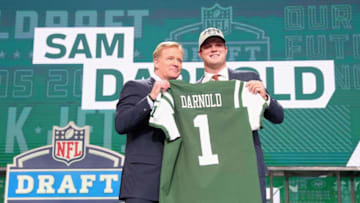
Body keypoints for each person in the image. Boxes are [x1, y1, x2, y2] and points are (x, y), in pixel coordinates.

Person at [197, 27, 284, 203]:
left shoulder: (249, 79)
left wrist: (265, 97)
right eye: (208, 46)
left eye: (218, 45)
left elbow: (278, 116)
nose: (214, 49)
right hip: (211, 174)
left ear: (226, 50)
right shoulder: (194, 91)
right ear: (200, 53)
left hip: (247, 170)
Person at [114, 41, 184, 203]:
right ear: (156, 62)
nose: (176, 63)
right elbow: (121, 124)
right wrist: (151, 99)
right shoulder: (136, 87)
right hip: (143, 184)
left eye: (179, 60)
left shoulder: (184, 94)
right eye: (170, 58)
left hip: (178, 185)